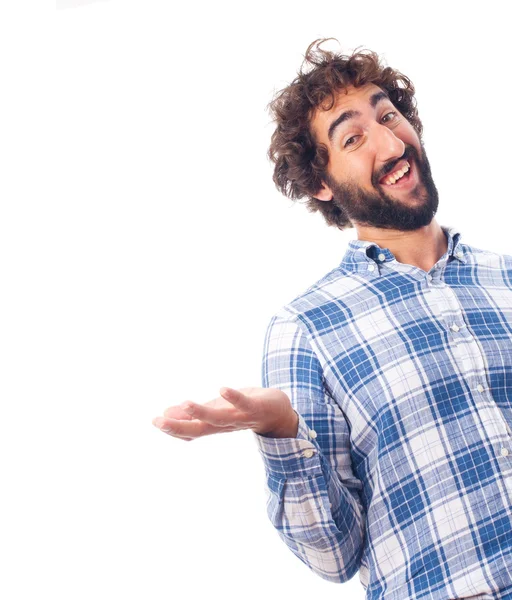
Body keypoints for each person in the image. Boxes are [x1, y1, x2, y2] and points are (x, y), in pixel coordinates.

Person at [152, 38, 512, 599]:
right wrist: (282, 434)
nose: (390, 140)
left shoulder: (507, 278)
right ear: (322, 184)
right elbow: (334, 557)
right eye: (354, 137)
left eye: (389, 116)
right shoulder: (308, 329)